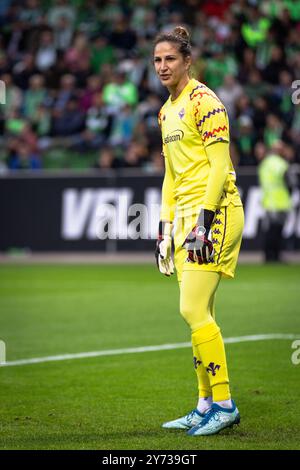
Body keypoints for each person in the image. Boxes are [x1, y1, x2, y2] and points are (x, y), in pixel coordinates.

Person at [153, 26, 244, 436]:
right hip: (185, 220)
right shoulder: (165, 112)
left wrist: (203, 225)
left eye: (170, 59)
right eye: (157, 60)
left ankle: (224, 404)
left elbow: (221, 167)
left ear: (188, 61)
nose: (162, 66)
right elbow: (171, 177)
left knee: (191, 309)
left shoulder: (204, 101)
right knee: (199, 315)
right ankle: (204, 404)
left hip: (216, 213)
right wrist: (163, 228)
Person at [257, 140, 293, 262]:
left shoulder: (264, 163)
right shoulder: (280, 164)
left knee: (270, 231)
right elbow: (290, 181)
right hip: (280, 202)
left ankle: (268, 256)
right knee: (277, 231)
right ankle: (276, 256)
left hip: (268, 201)